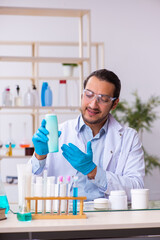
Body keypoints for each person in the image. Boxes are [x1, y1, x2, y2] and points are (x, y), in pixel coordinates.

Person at [31, 69, 145, 201]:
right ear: (82, 95)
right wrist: (39, 157)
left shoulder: (129, 138)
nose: (93, 104)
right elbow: (31, 185)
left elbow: (137, 188)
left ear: (114, 103)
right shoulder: (58, 133)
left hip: (109, 215)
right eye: (89, 95)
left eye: (103, 99)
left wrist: (94, 172)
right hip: (66, 215)